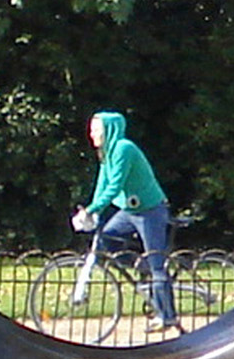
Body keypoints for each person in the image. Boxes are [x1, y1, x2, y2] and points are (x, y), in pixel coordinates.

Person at [71, 111, 180, 332]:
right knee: (106, 242)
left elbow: (115, 185)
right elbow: (102, 184)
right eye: (91, 130)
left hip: (150, 210)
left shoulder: (123, 149)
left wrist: (92, 209)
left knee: (156, 262)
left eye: (96, 129)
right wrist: (93, 209)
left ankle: (167, 316)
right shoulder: (107, 152)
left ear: (109, 130)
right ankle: (142, 268)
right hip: (129, 211)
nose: (92, 134)